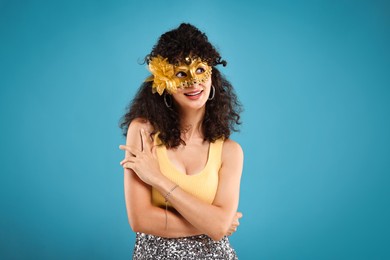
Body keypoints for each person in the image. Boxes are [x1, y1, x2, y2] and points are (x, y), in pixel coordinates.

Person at [119, 23, 244, 260]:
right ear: (164, 83)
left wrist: (157, 178)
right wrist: (211, 223)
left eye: (200, 70)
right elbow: (140, 219)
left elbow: (218, 227)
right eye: (180, 73)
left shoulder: (230, 151)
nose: (193, 82)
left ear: (212, 77)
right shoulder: (143, 133)